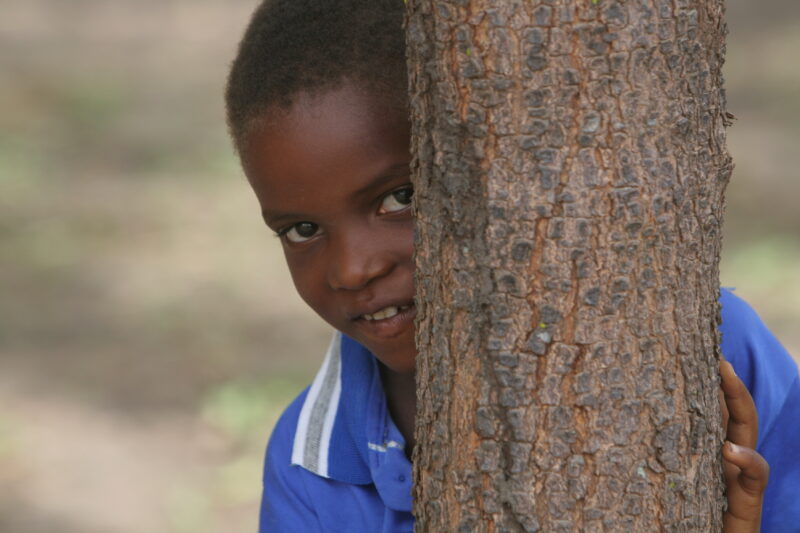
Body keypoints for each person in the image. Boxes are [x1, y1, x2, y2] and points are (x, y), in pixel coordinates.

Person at [224, 1, 798, 531]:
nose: (352, 270)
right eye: (302, 230)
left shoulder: (709, 346)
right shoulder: (308, 469)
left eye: (399, 197)